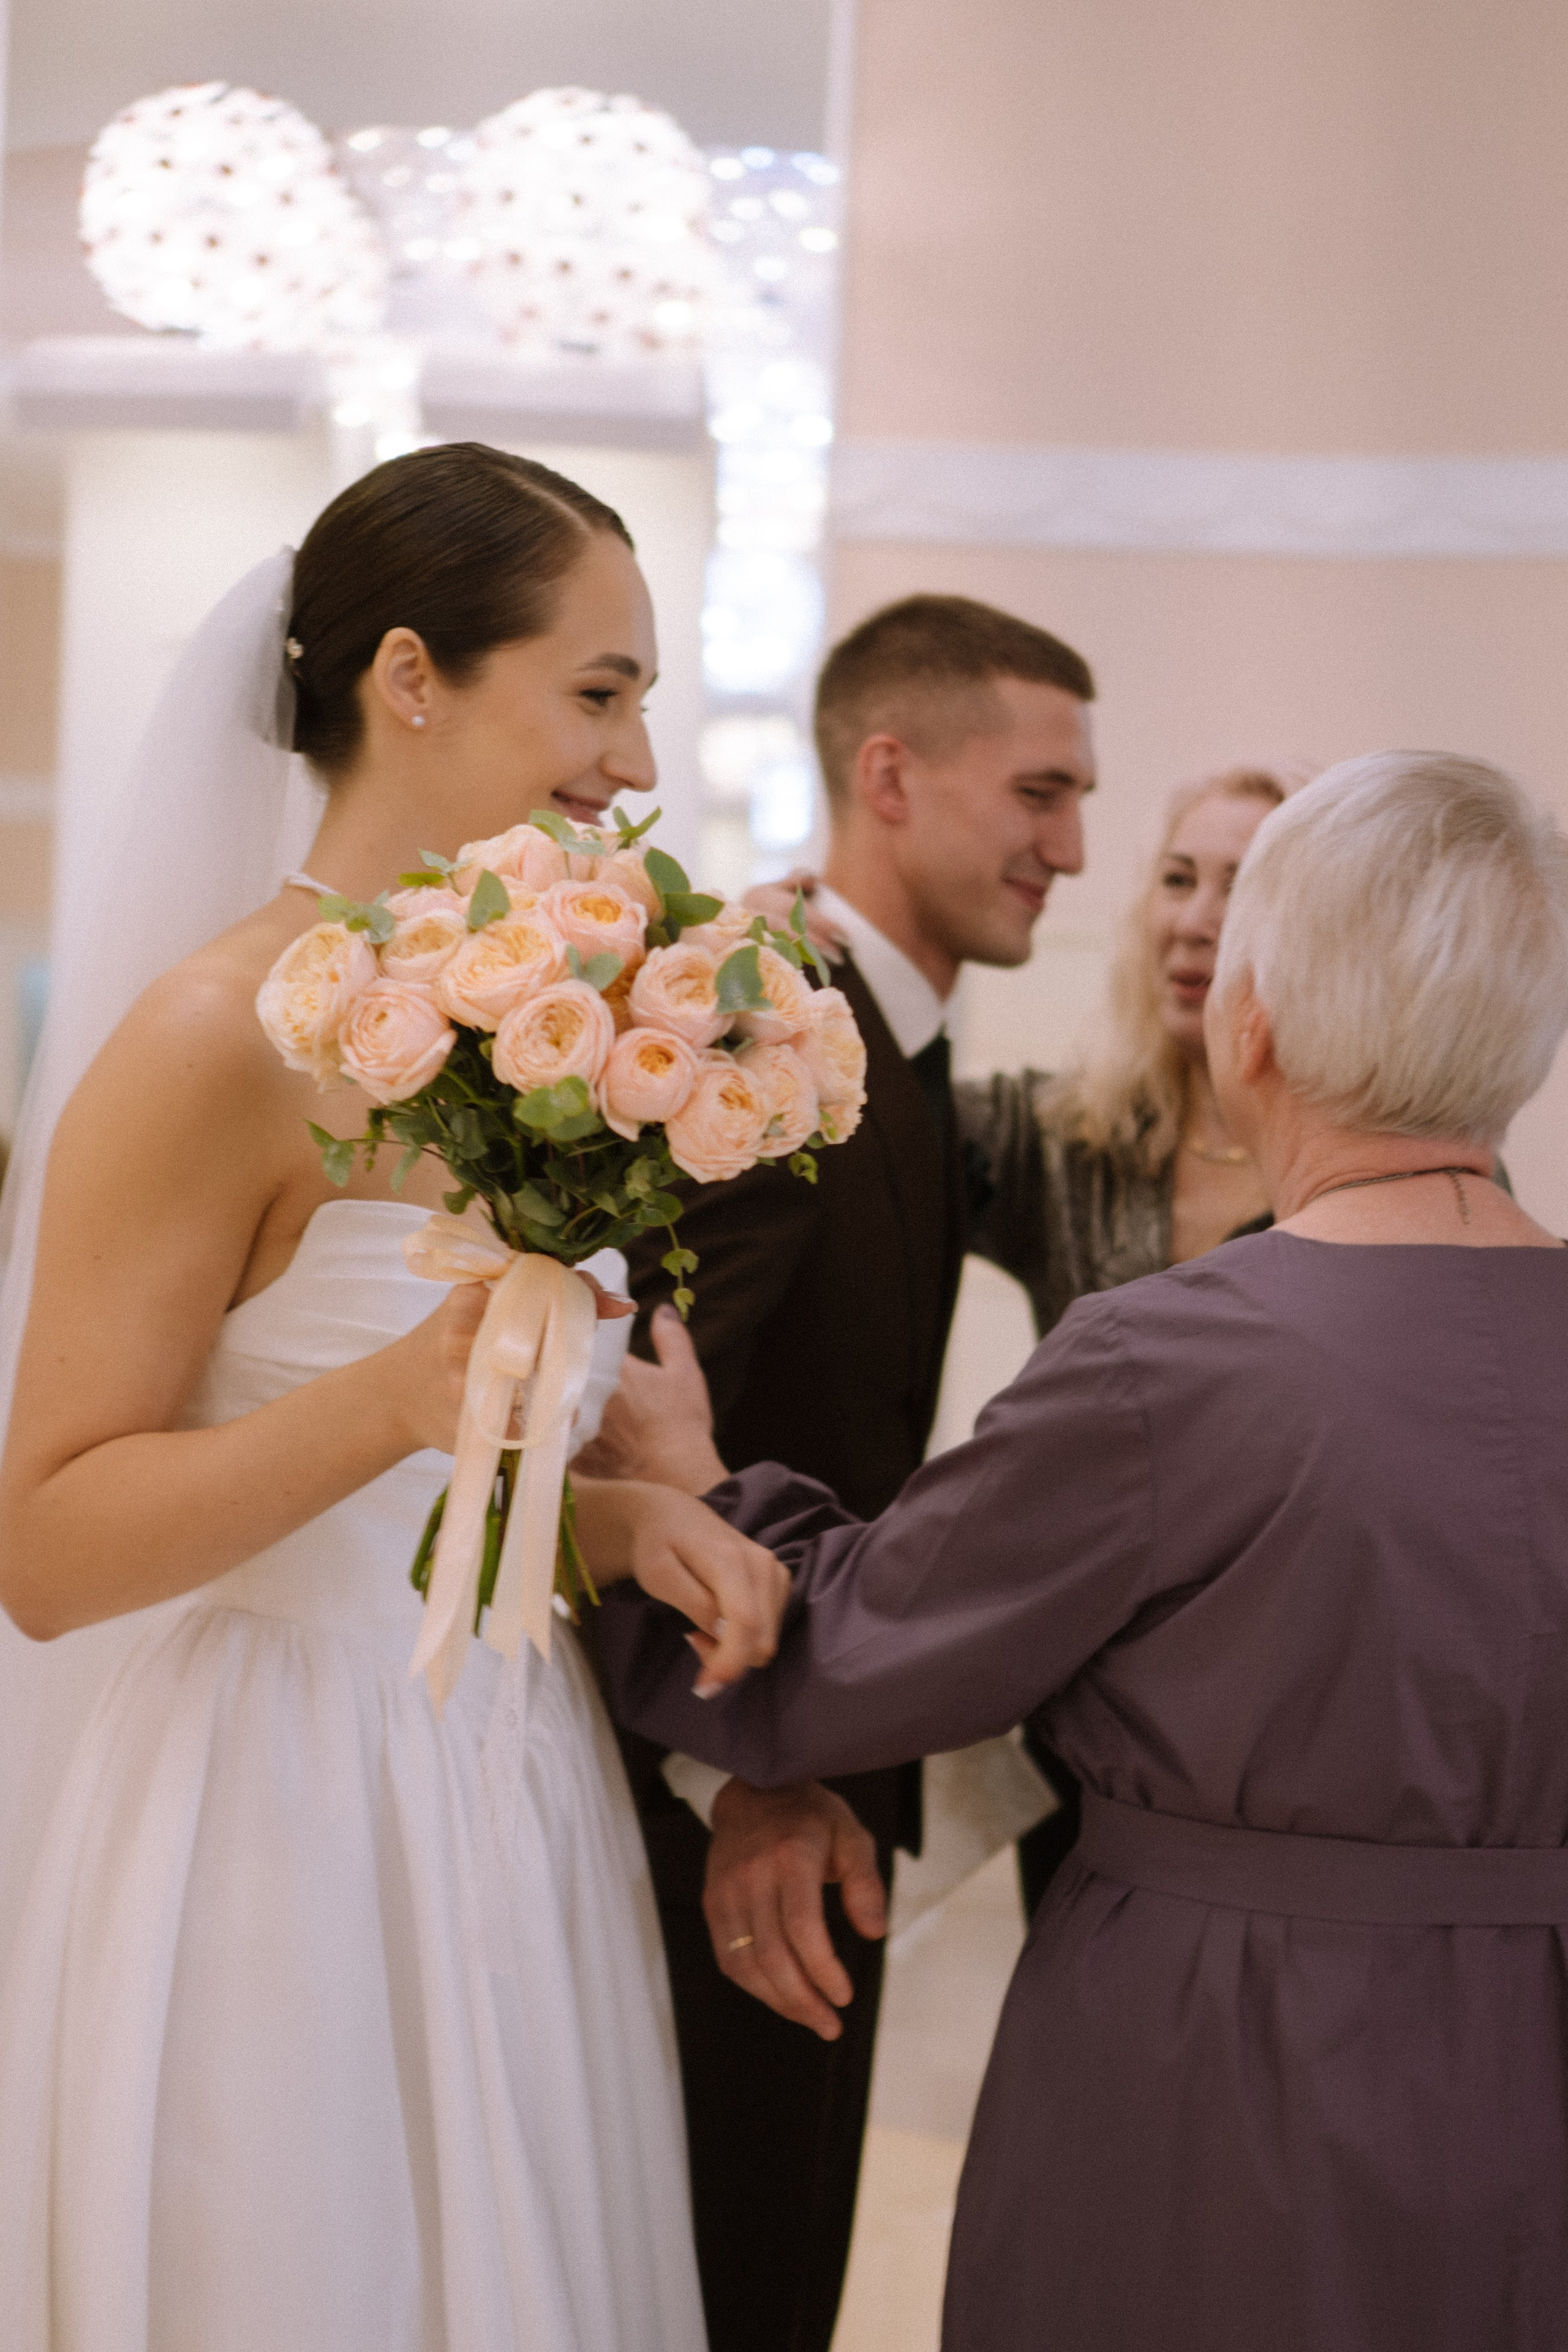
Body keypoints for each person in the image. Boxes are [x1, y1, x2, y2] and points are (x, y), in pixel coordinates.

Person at [580, 748, 1568, 2352]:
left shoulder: (1168, 1363)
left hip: (1219, 2063)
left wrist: (688, 1481)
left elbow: (835, 1660)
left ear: (1251, 1027)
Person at [0, 443, 778, 2350]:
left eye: (647, 703)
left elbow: (449, 1490)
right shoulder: (213, 1034)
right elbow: (44, 1544)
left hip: (506, 1778)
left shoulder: (546, 1043)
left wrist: (617, 1519)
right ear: (410, 676)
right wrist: (387, 1400)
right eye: (599, 693)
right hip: (279, 1811)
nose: (638, 766)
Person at [578, 592, 1097, 2352]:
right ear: (891, 770)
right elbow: (633, 1404)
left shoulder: (908, 1047)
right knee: (731, 2282)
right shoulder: (768, 1029)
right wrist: (739, 1780)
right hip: (740, 1814)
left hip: (823, 1778)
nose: (1073, 849)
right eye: (1040, 794)